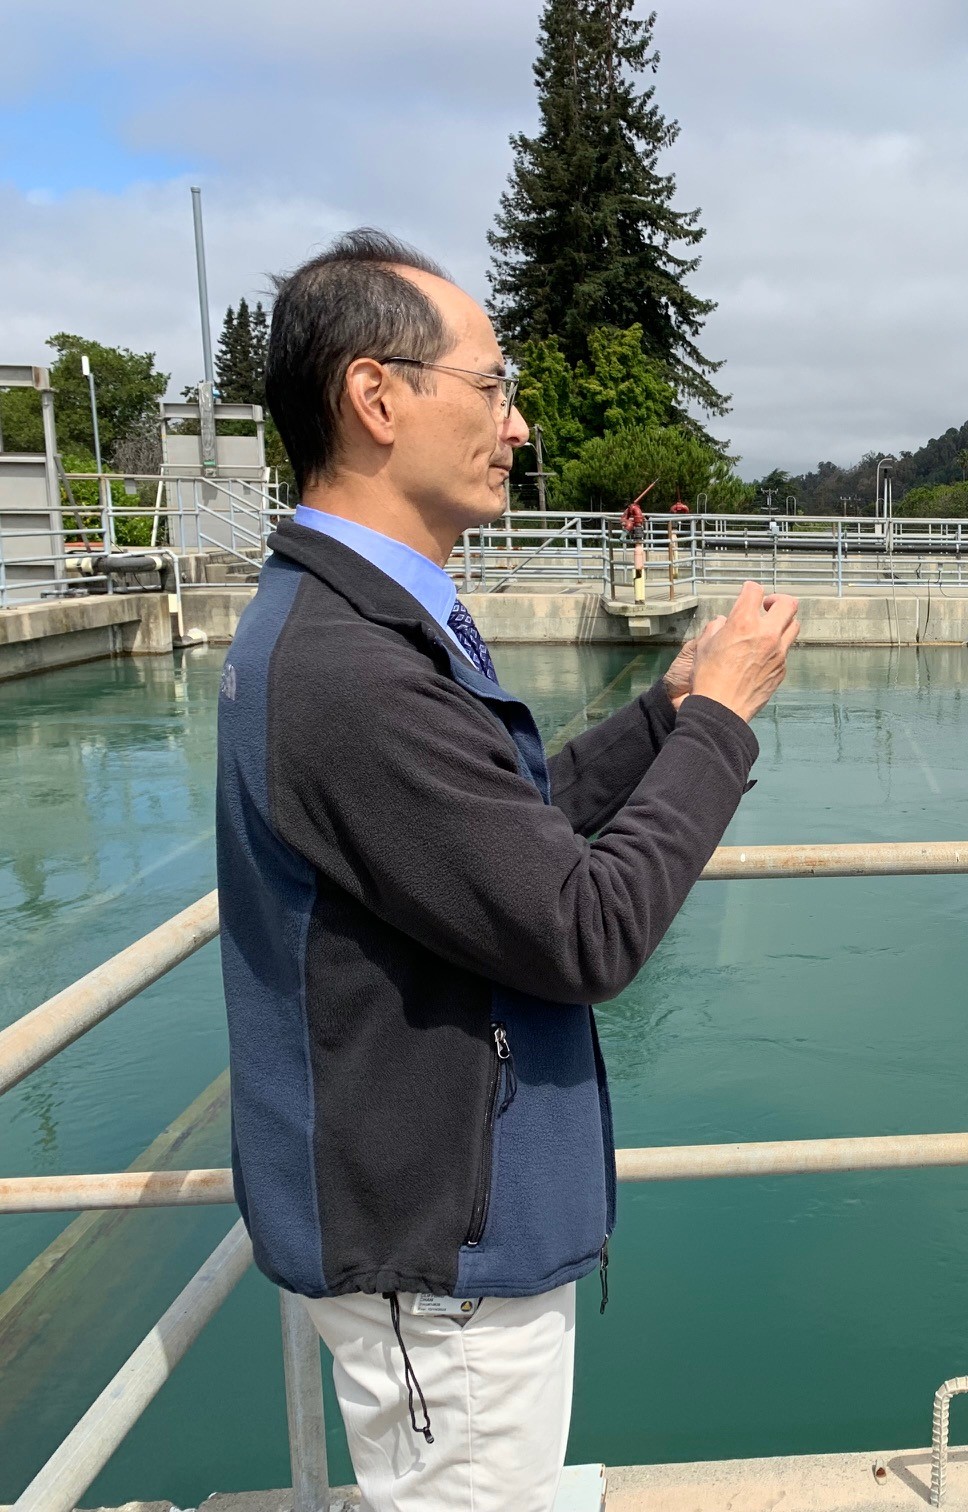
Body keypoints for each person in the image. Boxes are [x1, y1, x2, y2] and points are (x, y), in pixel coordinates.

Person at [215, 227, 799, 1511]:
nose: (519, 425)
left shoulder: (360, 623)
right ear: (377, 398)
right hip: (443, 1274)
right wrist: (724, 724)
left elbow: (497, 823)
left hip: (444, 1242)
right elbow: (587, 929)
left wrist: (664, 715)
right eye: (492, 387)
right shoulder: (351, 668)